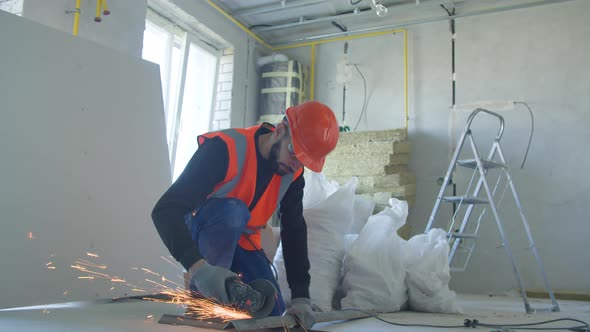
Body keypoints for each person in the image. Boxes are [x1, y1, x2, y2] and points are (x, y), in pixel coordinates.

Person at [151, 101, 339, 329]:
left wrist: (301, 296)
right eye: (293, 152)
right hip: (206, 236)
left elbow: (294, 231)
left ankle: (229, 299)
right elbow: (165, 210)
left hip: (245, 243)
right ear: (279, 130)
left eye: (303, 159)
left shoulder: (293, 173)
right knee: (233, 212)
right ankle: (205, 302)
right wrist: (198, 269)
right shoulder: (224, 149)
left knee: (273, 317)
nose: (295, 164)